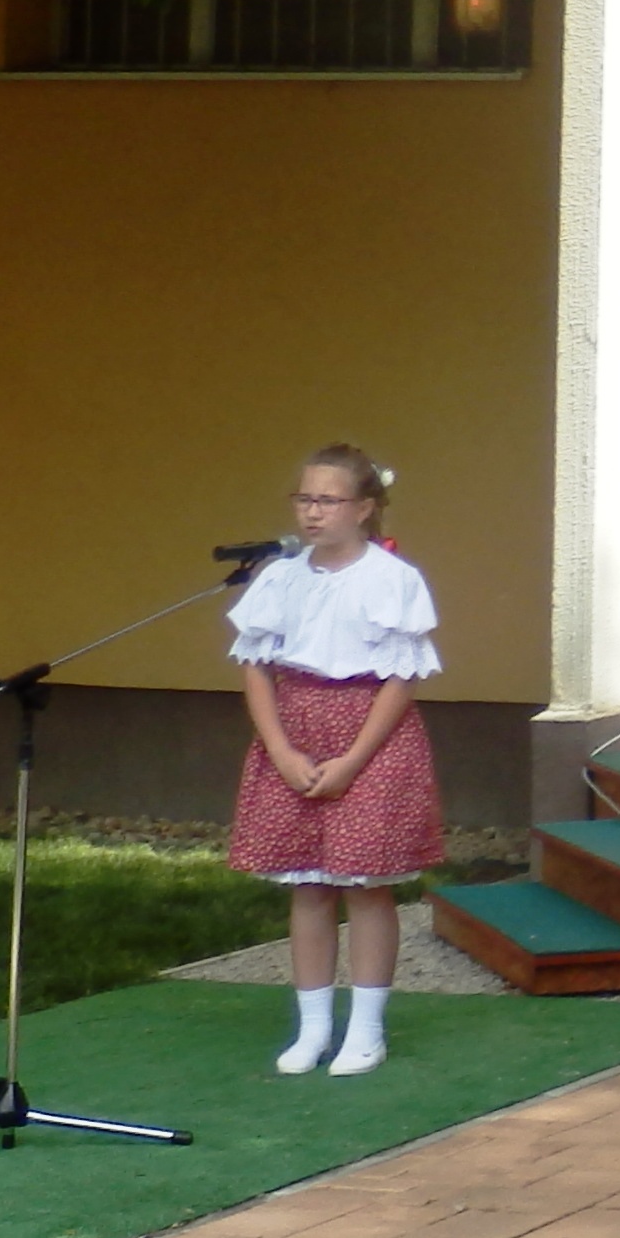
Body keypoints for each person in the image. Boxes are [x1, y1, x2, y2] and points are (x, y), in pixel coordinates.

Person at [231, 445, 442, 1075]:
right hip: (295, 732)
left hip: (370, 738)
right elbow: (256, 666)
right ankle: (314, 1027)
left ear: (365, 508)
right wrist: (279, 748)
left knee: (366, 885)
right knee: (310, 885)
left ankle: (367, 1029)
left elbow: (402, 676)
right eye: (304, 499)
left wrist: (352, 760)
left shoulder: (392, 579)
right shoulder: (280, 577)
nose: (312, 512)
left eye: (328, 500)